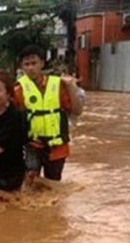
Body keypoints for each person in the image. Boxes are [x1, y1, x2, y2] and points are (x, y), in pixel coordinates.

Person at [13, 45, 84, 182]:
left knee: (53, 184)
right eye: (26, 64)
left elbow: (77, 111)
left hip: (57, 147)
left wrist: (71, 87)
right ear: (22, 67)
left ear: (42, 63)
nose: (30, 68)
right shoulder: (18, 90)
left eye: (34, 63)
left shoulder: (59, 85)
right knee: (30, 183)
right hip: (32, 146)